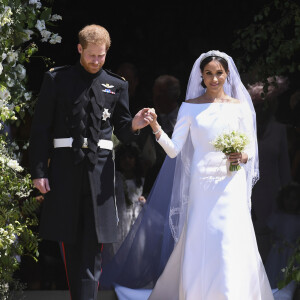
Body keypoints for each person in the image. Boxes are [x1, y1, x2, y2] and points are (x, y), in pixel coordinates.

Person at [100, 50, 274, 299]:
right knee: (202, 236)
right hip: (201, 183)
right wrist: (156, 126)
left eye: (219, 73)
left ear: (227, 75)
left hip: (231, 181)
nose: (214, 79)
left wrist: (243, 157)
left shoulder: (240, 107)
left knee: (230, 236)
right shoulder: (189, 108)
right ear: (201, 76)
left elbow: (250, 150)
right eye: (209, 74)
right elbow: (173, 151)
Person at [29, 24, 152, 300]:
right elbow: (40, 130)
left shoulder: (118, 84)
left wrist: (135, 123)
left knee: (92, 252)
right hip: (64, 171)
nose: (96, 61)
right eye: (91, 55)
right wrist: (39, 171)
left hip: (100, 175)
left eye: (102, 56)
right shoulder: (56, 79)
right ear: (79, 49)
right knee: (70, 248)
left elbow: (121, 127)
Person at [142, 74, 181, 198]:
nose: (155, 99)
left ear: (173, 96)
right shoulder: (146, 119)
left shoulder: (185, 117)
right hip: (153, 186)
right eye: (154, 95)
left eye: (160, 95)